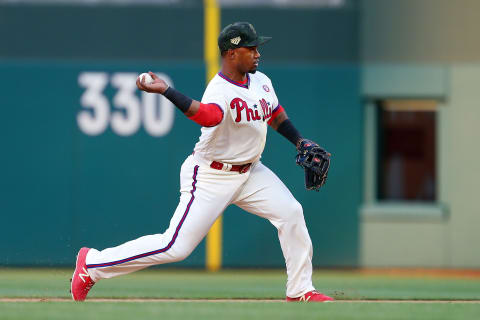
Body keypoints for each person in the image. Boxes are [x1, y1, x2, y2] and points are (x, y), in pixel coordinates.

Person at [70, 21, 333, 303]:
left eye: (258, 48)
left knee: (291, 212)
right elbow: (208, 116)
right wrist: (166, 91)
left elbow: (276, 115)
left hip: (251, 172)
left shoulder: (261, 81)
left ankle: (300, 290)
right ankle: (92, 265)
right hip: (211, 175)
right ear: (231, 53)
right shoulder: (220, 90)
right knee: (175, 246)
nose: (258, 53)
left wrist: (300, 141)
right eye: (251, 48)